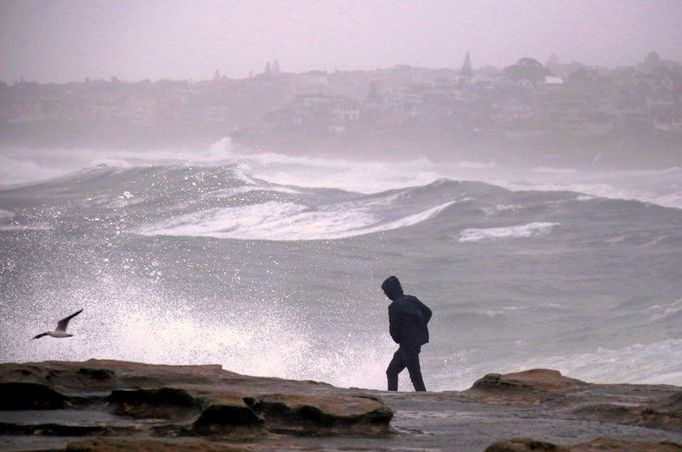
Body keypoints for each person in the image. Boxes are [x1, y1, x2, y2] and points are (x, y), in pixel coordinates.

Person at [381, 275, 432, 392]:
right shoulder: (411, 299)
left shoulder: (394, 307)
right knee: (392, 371)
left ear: (390, 291)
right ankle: (393, 396)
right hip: (412, 345)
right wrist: (419, 328)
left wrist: (400, 337)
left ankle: (424, 401)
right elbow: (428, 312)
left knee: (415, 378)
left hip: (407, 347)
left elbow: (394, 331)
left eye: (386, 292)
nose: (386, 295)